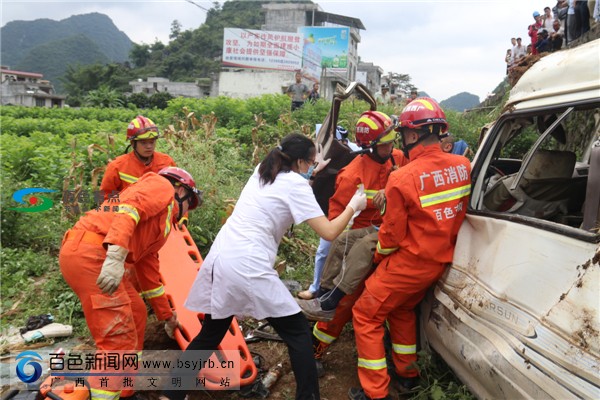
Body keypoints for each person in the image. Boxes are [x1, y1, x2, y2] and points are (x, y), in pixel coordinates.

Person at [162, 133, 367, 400]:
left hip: (222, 257)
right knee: (299, 333)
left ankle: (171, 394)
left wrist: (310, 172)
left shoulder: (263, 170)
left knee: (211, 334)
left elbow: (289, 187)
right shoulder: (295, 184)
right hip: (248, 265)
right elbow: (328, 232)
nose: (310, 168)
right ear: (299, 162)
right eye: (310, 163)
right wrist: (354, 206)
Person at [348, 98, 471, 400]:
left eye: (403, 133)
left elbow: (389, 237)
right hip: (440, 262)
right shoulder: (463, 166)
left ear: (413, 135)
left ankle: (375, 392)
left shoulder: (401, 178)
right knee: (401, 309)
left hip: (407, 265)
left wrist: (376, 258)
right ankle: (408, 376)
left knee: (365, 315)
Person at [59, 167, 203, 400]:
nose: (188, 211)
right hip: (93, 253)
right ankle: (104, 396)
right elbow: (129, 210)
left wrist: (167, 316)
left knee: (136, 312)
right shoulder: (161, 185)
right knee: (117, 340)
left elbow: (149, 274)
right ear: (180, 190)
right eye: (191, 203)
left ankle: (125, 389)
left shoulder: (160, 225)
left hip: (92, 252)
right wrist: (116, 255)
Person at [296, 112, 408, 377]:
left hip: (392, 237)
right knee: (344, 302)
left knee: (394, 303)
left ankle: (400, 360)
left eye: (393, 141)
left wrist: (393, 184)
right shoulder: (352, 175)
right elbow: (335, 220)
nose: (391, 147)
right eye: (385, 143)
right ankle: (316, 348)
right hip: (362, 238)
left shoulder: (398, 159)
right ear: (370, 144)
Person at [100, 115, 176, 198]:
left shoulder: (167, 162)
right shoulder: (117, 166)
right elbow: (106, 198)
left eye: (152, 142)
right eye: (143, 143)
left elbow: (178, 195)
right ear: (133, 143)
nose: (149, 146)